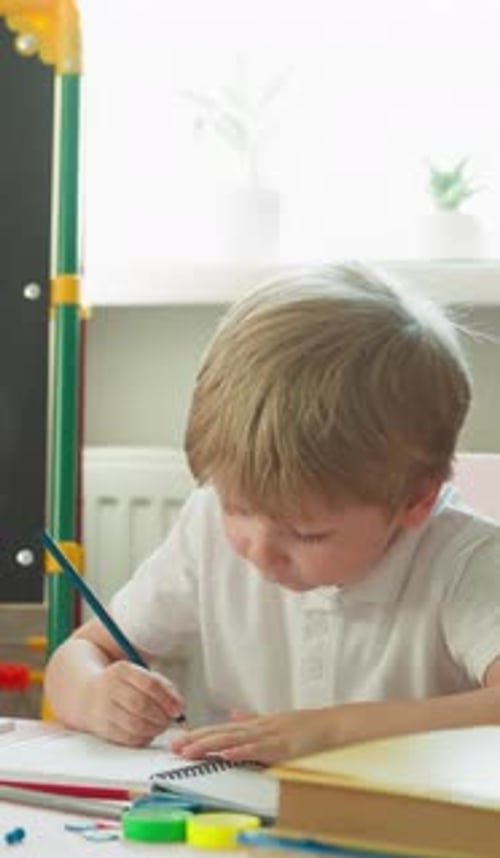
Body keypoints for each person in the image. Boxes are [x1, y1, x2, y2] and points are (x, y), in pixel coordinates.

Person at [44, 263, 500, 765]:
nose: (259, 551)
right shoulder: (205, 526)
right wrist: (95, 695)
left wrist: (335, 731)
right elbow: (79, 656)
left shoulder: (463, 560)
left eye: (307, 534)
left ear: (417, 501)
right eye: (236, 508)